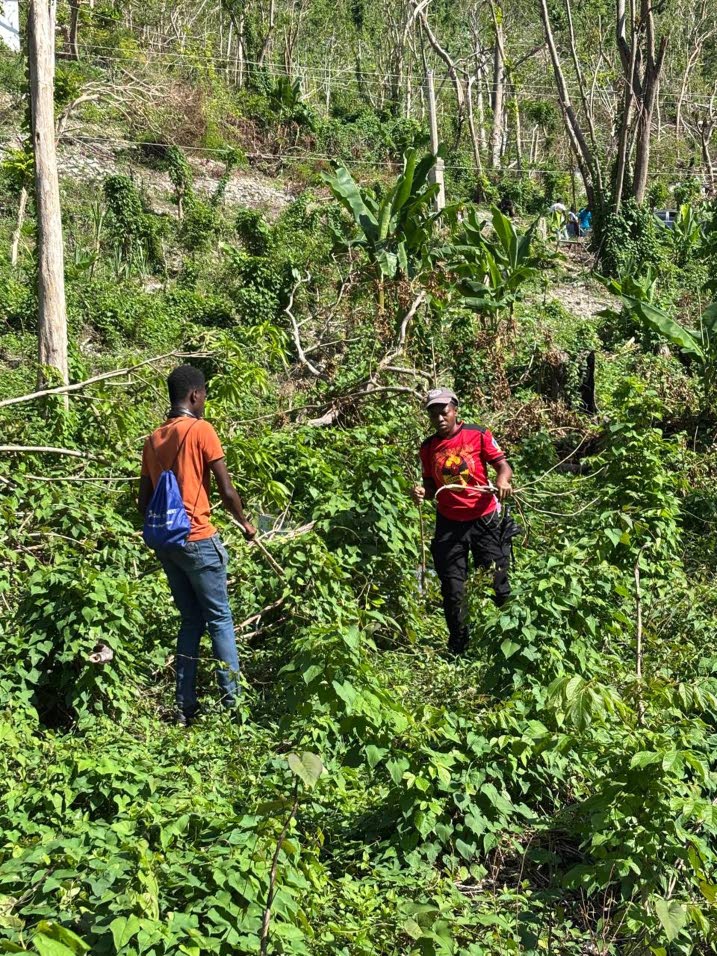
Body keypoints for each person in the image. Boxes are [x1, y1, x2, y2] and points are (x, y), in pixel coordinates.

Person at [138, 365, 256, 726]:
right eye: (204, 394)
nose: (205, 400)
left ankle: (185, 707)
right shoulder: (202, 430)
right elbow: (226, 489)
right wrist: (246, 524)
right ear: (194, 395)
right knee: (220, 619)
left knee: (190, 621)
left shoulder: (153, 439)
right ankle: (234, 707)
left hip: (168, 543)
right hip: (199, 538)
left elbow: (143, 502)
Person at [411, 388, 515, 656]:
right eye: (433, 414)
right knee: (453, 590)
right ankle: (458, 648)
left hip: (485, 520)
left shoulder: (477, 434)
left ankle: (511, 643)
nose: (439, 418)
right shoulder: (428, 447)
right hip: (449, 523)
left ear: (455, 410)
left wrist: (503, 481)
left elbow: (502, 465)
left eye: (444, 411)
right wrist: (423, 492)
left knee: (497, 583)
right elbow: (432, 486)